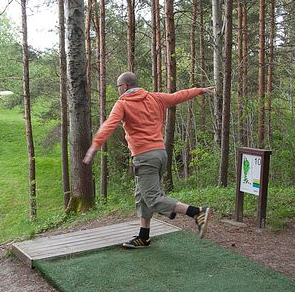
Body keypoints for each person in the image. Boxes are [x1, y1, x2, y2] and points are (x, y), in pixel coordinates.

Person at [83, 71, 216, 248]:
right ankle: (143, 236)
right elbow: (178, 96)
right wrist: (200, 90)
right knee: (142, 196)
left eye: (118, 87)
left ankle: (197, 212)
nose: (118, 91)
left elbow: (109, 125)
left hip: (145, 157)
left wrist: (94, 146)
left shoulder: (122, 103)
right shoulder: (155, 97)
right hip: (160, 154)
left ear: (124, 86)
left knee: (153, 197)